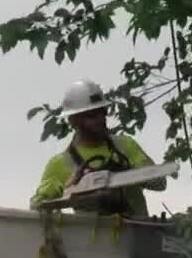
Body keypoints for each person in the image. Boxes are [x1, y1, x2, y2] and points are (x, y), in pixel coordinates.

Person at [30, 78, 164, 216]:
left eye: (103, 112)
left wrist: (130, 172)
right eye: (92, 115)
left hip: (138, 233)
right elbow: (36, 206)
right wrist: (68, 189)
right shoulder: (60, 164)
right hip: (90, 235)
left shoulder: (125, 146)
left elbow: (160, 183)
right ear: (74, 120)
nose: (101, 119)